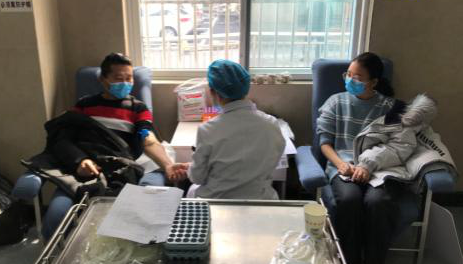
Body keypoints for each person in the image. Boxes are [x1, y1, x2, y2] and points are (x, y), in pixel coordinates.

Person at [34, 53, 187, 239]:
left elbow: (147, 138)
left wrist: (168, 165)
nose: (125, 83)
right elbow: (65, 137)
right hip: (84, 166)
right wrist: (80, 161)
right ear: (103, 79)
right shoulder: (85, 105)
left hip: (118, 167)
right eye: (118, 78)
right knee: (55, 218)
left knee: (119, 222)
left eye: (129, 78)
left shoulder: (138, 108)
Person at [317, 52, 403, 264]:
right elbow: (325, 143)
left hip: (379, 168)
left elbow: (397, 145)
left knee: (379, 202)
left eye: (358, 77)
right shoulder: (336, 102)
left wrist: (368, 165)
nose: (350, 80)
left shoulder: (390, 108)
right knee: (349, 199)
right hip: (343, 165)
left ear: (373, 82)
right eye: (348, 75)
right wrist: (341, 165)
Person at [184, 59, 285, 199]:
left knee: (192, 191)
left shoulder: (208, 130)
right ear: (245, 88)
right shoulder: (271, 124)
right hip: (261, 201)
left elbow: (197, 178)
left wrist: (190, 167)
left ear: (212, 91)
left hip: (217, 202)